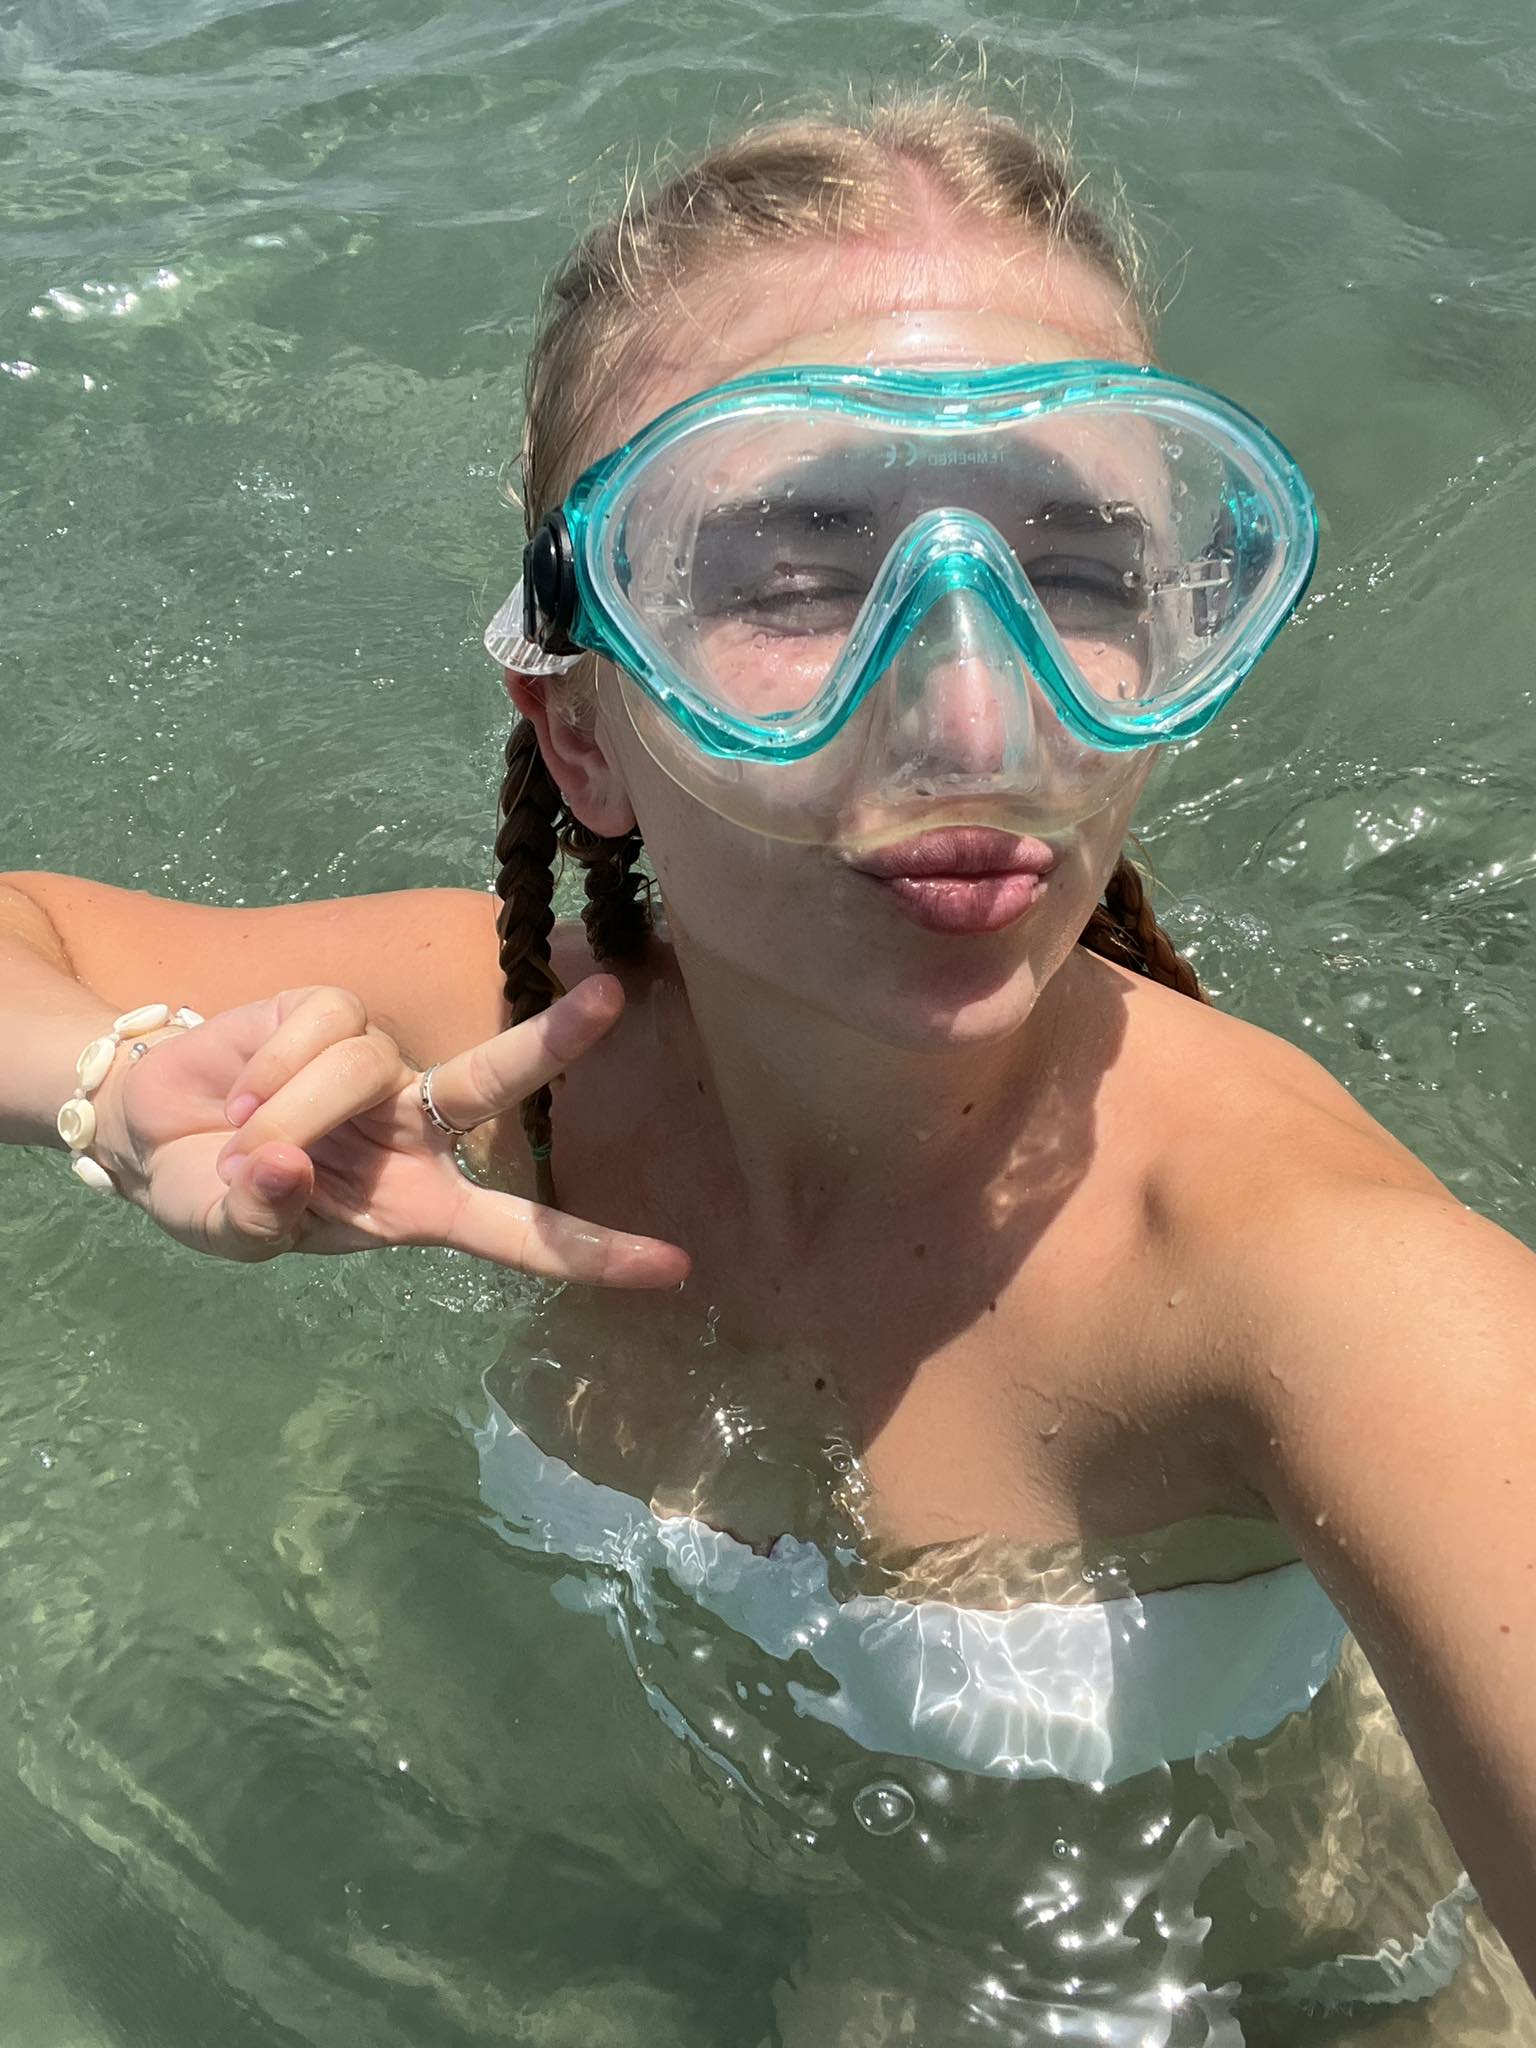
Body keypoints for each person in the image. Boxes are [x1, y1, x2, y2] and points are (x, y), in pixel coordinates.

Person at [2, 90, 1533, 2042]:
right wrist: (128, 1086)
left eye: (1077, 573)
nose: (974, 716)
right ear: (582, 733)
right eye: (804, 577)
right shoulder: (532, 1047)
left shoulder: (1315, 1284)